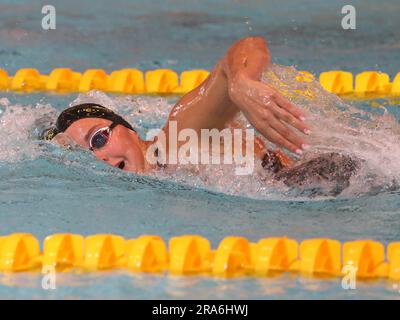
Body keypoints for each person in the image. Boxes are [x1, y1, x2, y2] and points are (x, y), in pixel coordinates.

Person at [43, 37, 359, 195]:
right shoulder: (166, 172)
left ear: (127, 128)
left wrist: (240, 84)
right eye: (88, 154)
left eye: (98, 138)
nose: (99, 157)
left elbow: (249, 46)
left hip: (336, 174)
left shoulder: (175, 139)